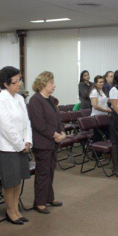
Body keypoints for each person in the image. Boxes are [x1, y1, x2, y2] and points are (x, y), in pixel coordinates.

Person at [0, 66, 32, 225]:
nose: (19, 84)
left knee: (18, 180)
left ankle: (16, 209)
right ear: (6, 84)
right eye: (15, 82)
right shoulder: (0, 100)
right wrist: (19, 144)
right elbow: (6, 126)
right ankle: (10, 211)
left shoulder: (20, 98)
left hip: (22, 145)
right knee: (10, 181)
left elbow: (26, 122)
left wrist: (28, 140)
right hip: (7, 148)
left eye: (19, 80)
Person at [28, 71, 66, 214]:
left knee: (50, 170)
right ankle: (39, 202)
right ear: (43, 84)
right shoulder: (35, 100)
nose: (54, 85)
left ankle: (49, 197)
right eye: (51, 83)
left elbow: (58, 118)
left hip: (52, 142)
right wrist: (55, 134)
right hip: (42, 143)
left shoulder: (50, 99)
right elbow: (39, 123)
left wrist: (61, 132)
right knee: (43, 172)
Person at [90, 75, 111, 145]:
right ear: (95, 83)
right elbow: (95, 106)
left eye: (103, 82)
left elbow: (102, 100)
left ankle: (102, 153)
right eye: (100, 82)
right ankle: (96, 154)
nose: (102, 83)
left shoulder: (101, 91)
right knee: (97, 136)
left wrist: (108, 100)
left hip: (103, 115)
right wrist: (105, 109)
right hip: (97, 116)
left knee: (106, 134)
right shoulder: (94, 92)